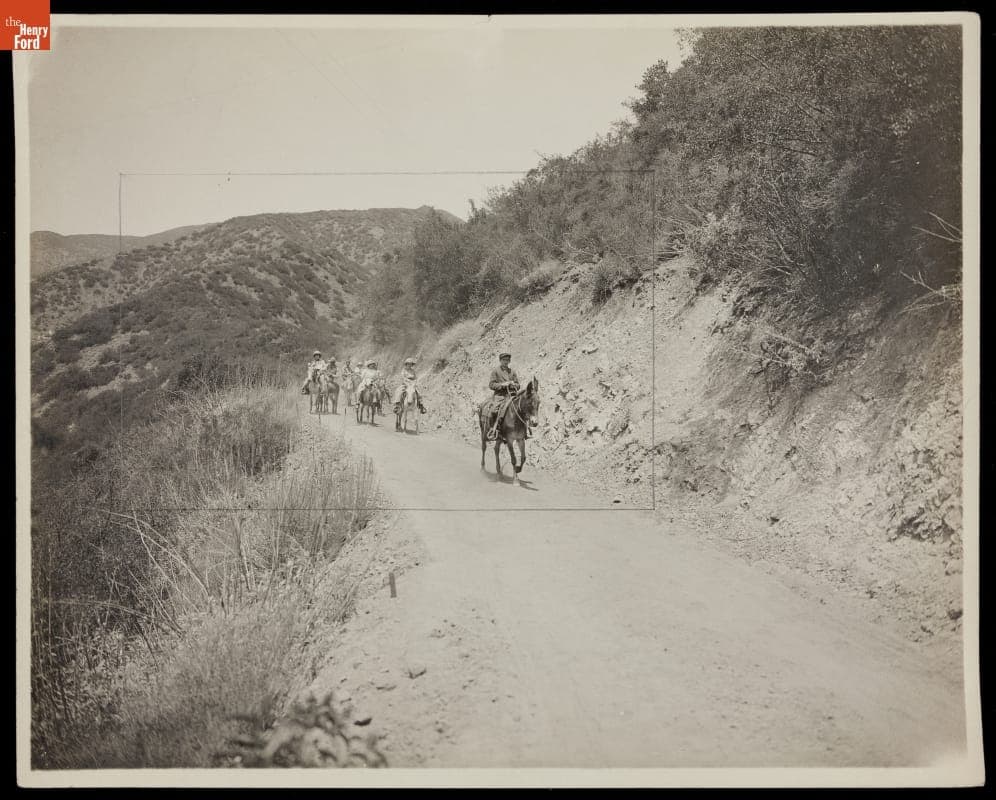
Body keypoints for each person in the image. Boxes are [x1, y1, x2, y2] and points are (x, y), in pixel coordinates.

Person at [483, 351, 520, 441]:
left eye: (507, 360)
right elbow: (491, 385)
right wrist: (502, 385)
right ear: (500, 360)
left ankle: (523, 431)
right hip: (500, 396)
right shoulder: (496, 371)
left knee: (521, 408)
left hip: (512, 396)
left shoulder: (512, 372)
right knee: (494, 411)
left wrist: (514, 385)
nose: (506, 362)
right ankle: (494, 430)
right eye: (504, 360)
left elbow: (518, 385)